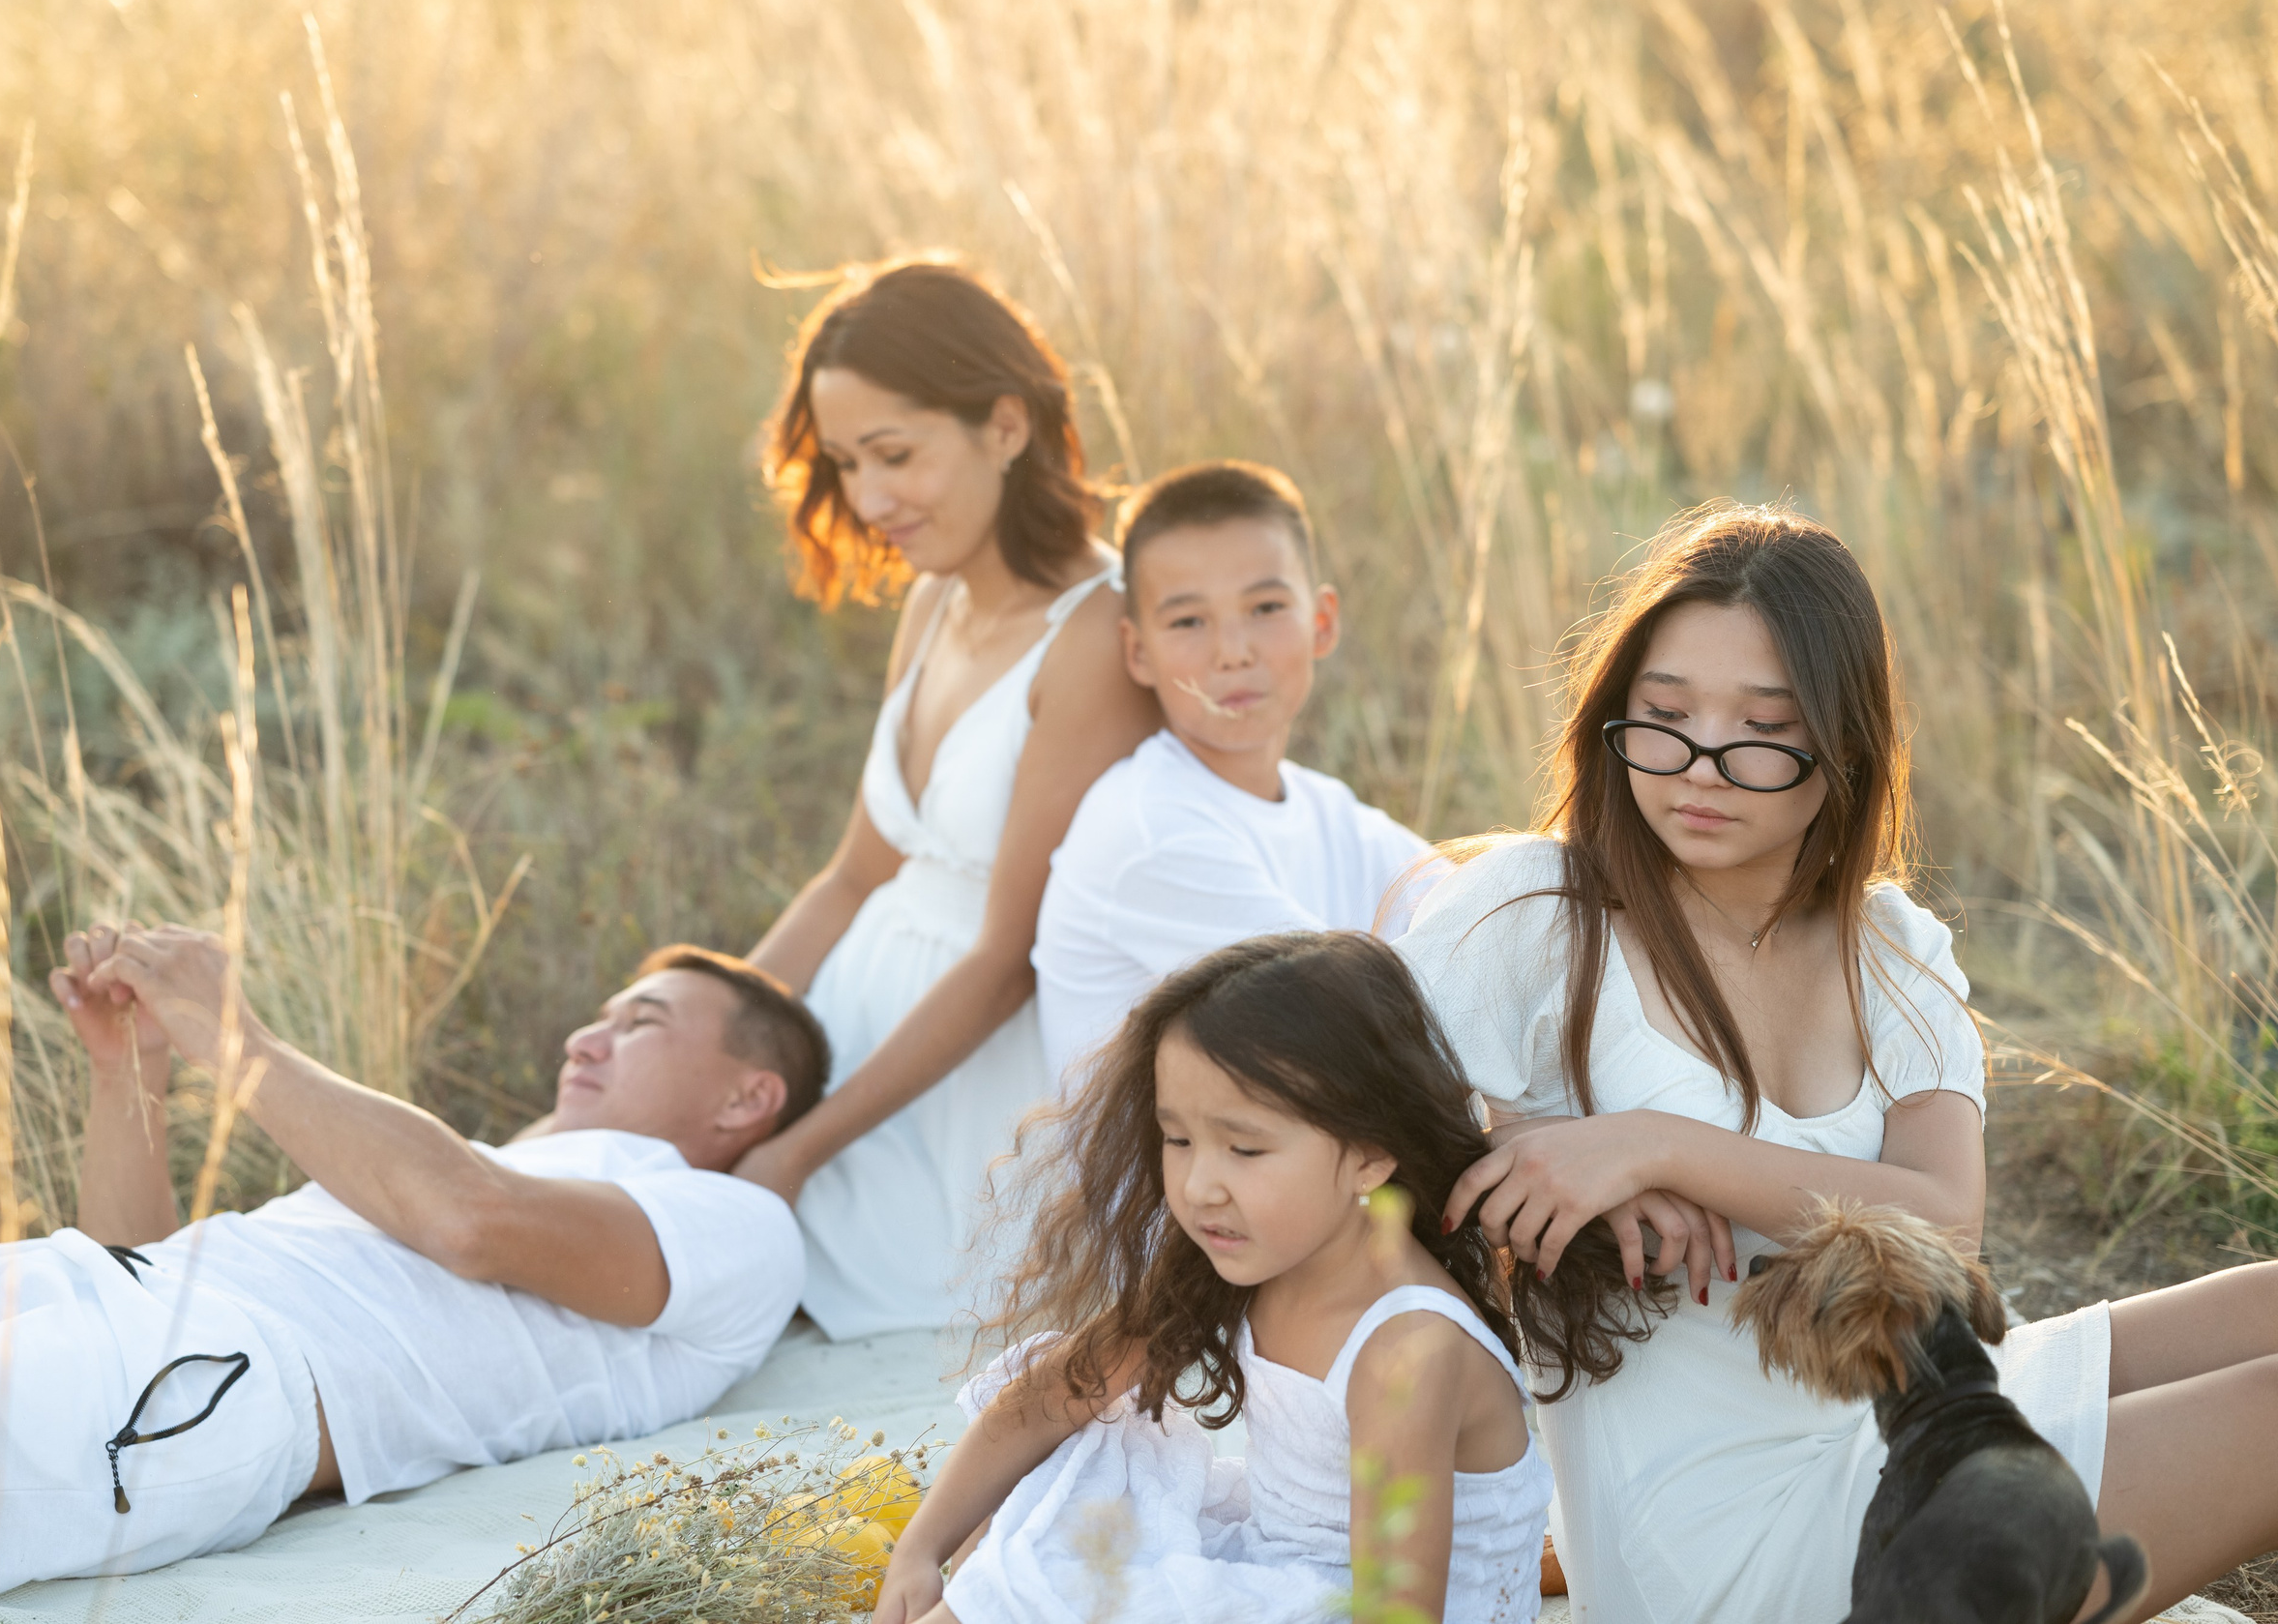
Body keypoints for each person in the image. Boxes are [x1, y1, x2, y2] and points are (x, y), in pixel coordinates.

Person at [1398, 501, 2278, 1623]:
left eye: (1761, 728)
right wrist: (1526, 1142)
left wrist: (1650, 1144)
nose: (1697, 767)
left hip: (1891, 1418)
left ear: (1843, 747)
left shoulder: (1890, 947)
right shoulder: (1542, 910)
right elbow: (1338, 1113)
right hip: (1719, 1527)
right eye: (1661, 716)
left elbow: (1942, 1221)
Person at [0, 922, 825, 1603]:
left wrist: (234, 1034)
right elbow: (140, 1259)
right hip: (88, 1283)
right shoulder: (487, 1158)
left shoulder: (736, 1222)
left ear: (747, 1098)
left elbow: (471, 1221)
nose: (585, 1038)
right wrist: (134, 1066)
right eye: (599, 1014)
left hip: (220, 1378)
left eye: (639, 1022)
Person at [873, 930, 1556, 1624]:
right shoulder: (1255, 1256)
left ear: (1371, 1154)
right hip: (1282, 1565)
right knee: (1060, 1492)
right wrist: (919, 1549)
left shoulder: (1401, 1347)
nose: (1200, 1185)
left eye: (1246, 1147)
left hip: (1372, 1602)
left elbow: (1401, 1609)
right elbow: (1057, 1392)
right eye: (1179, 1139)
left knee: (1048, 1587)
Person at [737, 259, 1159, 1339]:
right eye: (844, 463)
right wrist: (715, 1031)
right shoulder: (931, 601)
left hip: (956, 1101)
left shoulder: (1093, 637)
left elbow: (1006, 958)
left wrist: (798, 1146)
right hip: (844, 1032)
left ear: (1005, 425)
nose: (869, 499)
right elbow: (851, 876)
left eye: (895, 454)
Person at [1032, 460, 1431, 1084]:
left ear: (1322, 622)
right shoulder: (1147, 828)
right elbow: (1342, 1022)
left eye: (1266, 607)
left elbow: (1486, 924)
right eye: (1189, 621)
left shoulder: (1330, 812)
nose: (1232, 651)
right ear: (1139, 651)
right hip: (1159, 1185)